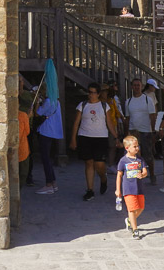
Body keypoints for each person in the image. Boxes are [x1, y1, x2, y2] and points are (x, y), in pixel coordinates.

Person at [70, 83, 116, 200]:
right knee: (89, 162)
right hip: (85, 136)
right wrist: (73, 139)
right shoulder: (82, 105)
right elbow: (76, 123)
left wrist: (117, 137)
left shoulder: (104, 106)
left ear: (98, 94)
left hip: (100, 137)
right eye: (89, 92)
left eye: (93, 92)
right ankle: (90, 190)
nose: (91, 95)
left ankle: (103, 178)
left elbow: (109, 123)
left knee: (99, 163)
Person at [34, 61, 63, 195]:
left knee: (45, 158)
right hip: (52, 131)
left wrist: (36, 102)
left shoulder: (47, 102)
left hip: (46, 131)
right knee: (47, 158)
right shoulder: (55, 101)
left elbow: (37, 113)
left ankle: (49, 184)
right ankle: (54, 182)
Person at [124, 78, 157, 185]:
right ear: (131, 87)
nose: (136, 87)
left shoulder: (148, 100)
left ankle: (152, 175)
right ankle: (136, 177)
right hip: (133, 132)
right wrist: (126, 133)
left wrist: (153, 132)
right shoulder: (128, 102)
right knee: (134, 156)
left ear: (142, 86)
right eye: (134, 85)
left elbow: (153, 116)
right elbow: (127, 118)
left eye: (138, 85)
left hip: (146, 131)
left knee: (148, 156)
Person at [116, 135, 148, 240]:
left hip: (139, 188)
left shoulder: (140, 159)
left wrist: (142, 175)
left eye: (137, 146)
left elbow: (145, 171)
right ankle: (135, 230)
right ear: (127, 148)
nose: (137, 148)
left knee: (141, 207)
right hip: (128, 189)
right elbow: (119, 175)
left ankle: (129, 220)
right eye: (134, 146)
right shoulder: (123, 161)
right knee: (132, 209)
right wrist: (118, 189)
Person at [17, 99, 31, 188]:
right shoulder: (22, 115)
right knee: (22, 173)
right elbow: (27, 131)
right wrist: (28, 118)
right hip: (22, 148)